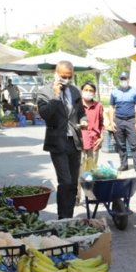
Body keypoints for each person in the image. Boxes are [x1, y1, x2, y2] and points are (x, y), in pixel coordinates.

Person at [37, 61, 84, 219]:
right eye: (63, 76)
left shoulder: (75, 91)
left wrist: (84, 121)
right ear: (56, 74)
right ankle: (62, 218)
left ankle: (68, 216)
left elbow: (81, 112)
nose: (66, 79)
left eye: (69, 77)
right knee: (65, 182)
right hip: (57, 142)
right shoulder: (45, 92)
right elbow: (45, 114)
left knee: (72, 184)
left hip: (74, 142)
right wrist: (56, 96)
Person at [107, 71, 136, 173]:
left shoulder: (134, 92)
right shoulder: (114, 92)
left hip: (130, 120)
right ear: (120, 80)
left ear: (128, 80)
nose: (123, 81)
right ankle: (124, 165)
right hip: (118, 120)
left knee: (134, 144)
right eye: (122, 79)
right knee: (120, 144)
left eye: (125, 79)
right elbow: (111, 107)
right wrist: (111, 121)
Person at [79, 81, 104, 174]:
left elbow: (101, 123)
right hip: (80, 141)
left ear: (94, 92)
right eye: (86, 90)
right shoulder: (76, 105)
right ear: (81, 91)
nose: (88, 92)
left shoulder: (98, 106)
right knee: (79, 170)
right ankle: (77, 189)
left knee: (91, 171)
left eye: (91, 90)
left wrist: (102, 137)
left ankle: (90, 188)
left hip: (94, 142)